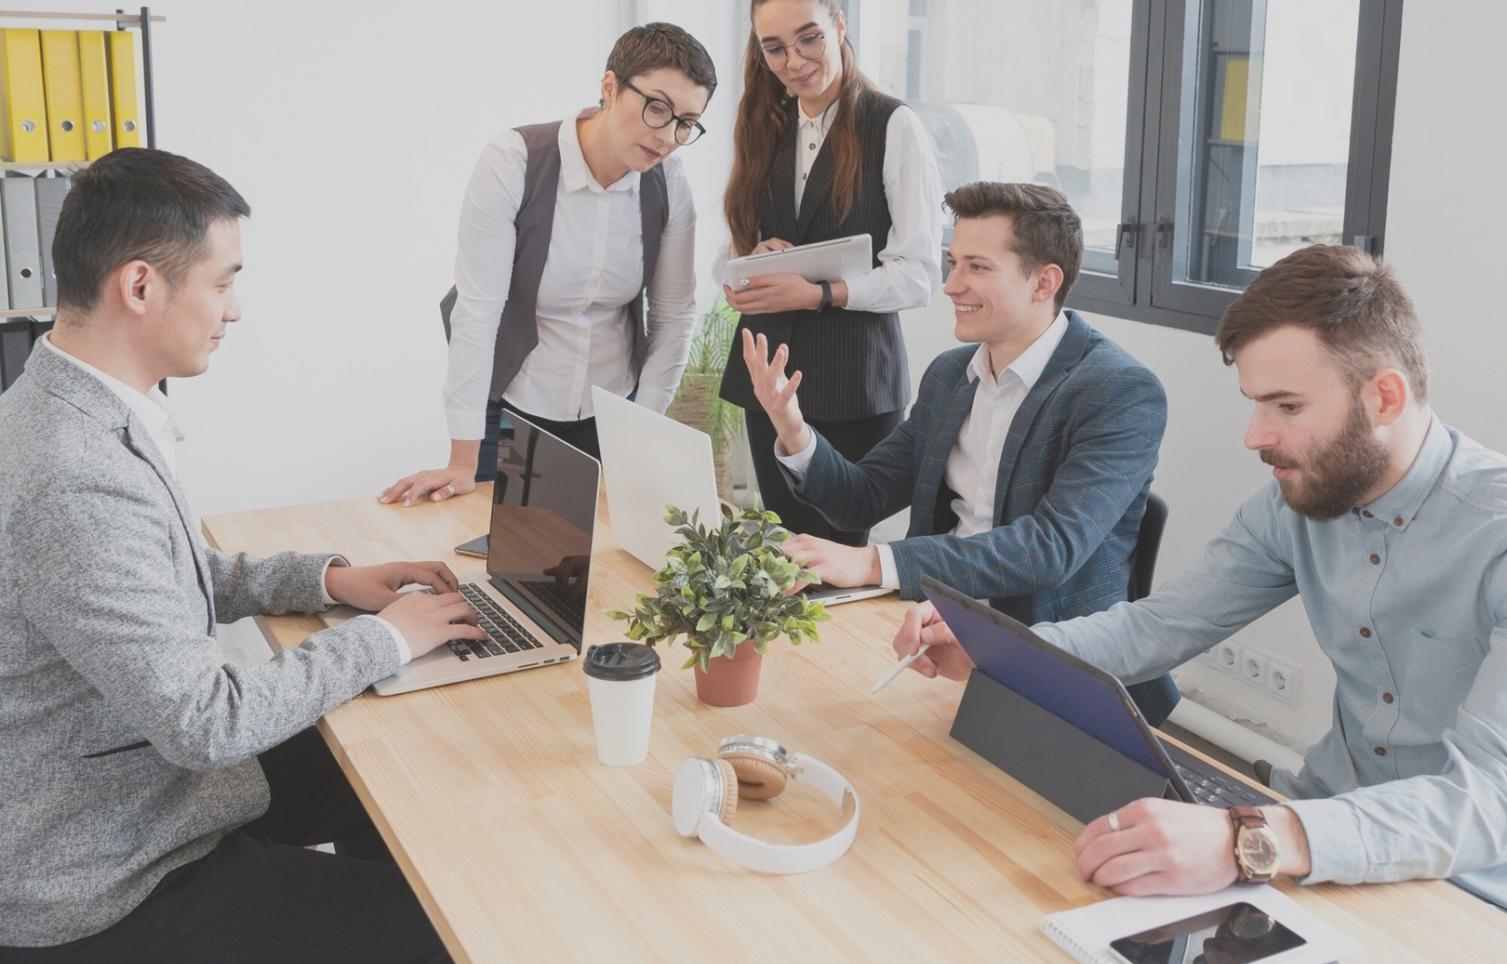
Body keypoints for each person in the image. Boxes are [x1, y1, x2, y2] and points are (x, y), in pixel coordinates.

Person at [892, 244, 1507, 908]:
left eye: (1286, 407)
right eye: (1254, 403)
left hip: (1460, 881)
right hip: (1308, 822)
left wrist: (1251, 840)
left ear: (1383, 396)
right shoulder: (1293, 504)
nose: (1254, 436)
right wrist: (999, 651)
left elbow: (1489, 800)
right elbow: (1158, 626)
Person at [0, 148, 490, 960]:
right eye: (222, 282)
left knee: (395, 784)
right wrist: (389, 636)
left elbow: (169, 578)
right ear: (140, 286)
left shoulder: (74, 403)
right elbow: (207, 722)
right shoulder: (72, 474)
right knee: (452, 926)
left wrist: (328, 580)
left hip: (135, 782)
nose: (235, 310)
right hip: (104, 870)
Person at [744, 182, 1179, 724]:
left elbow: (1049, 549)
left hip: (1053, 668)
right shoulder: (952, 374)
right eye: (953, 263)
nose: (950, 285)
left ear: (1045, 281)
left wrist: (873, 561)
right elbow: (861, 499)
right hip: (934, 636)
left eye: (977, 267)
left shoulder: (1118, 391)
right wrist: (792, 428)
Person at [382, 22, 717, 507]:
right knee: (495, 555)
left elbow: (674, 314)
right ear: (609, 87)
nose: (668, 136)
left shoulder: (670, 184)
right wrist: (461, 459)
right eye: (657, 108)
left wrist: (636, 439)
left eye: (686, 122)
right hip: (513, 405)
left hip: (612, 407)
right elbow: (478, 311)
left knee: (599, 567)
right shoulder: (514, 162)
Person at [717, 0, 944, 546]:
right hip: (767, 376)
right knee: (780, 557)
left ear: (839, 26)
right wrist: (750, 261)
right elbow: (725, 257)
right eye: (774, 48)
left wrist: (821, 293)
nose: (793, 61)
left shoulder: (893, 125)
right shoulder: (762, 125)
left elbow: (920, 274)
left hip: (854, 384)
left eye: (808, 38)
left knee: (834, 563)